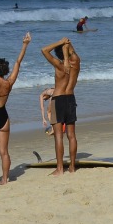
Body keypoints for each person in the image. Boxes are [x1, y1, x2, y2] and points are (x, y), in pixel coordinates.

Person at [0, 32, 31, 189]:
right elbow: (18, 62)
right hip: (4, 118)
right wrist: (25, 44)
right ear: (5, 70)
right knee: (4, 152)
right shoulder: (9, 83)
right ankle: (5, 179)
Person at [40, 36, 81, 175]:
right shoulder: (76, 62)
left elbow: (44, 50)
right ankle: (72, 167)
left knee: (58, 136)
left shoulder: (59, 65)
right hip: (70, 98)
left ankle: (59, 169)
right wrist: (67, 44)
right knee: (71, 135)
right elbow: (72, 52)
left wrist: (60, 42)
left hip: (58, 100)